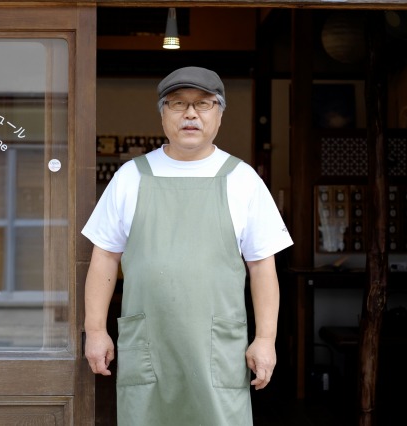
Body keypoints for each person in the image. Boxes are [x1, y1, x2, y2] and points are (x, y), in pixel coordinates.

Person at [82, 66, 293, 426]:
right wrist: (96, 330)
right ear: (163, 114)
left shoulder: (243, 180)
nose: (191, 113)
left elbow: (262, 266)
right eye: (178, 103)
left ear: (220, 113)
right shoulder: (131, 176)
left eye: (204, 104)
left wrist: (266, 338)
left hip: (216, 348)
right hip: (149, 343)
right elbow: (104, 256)